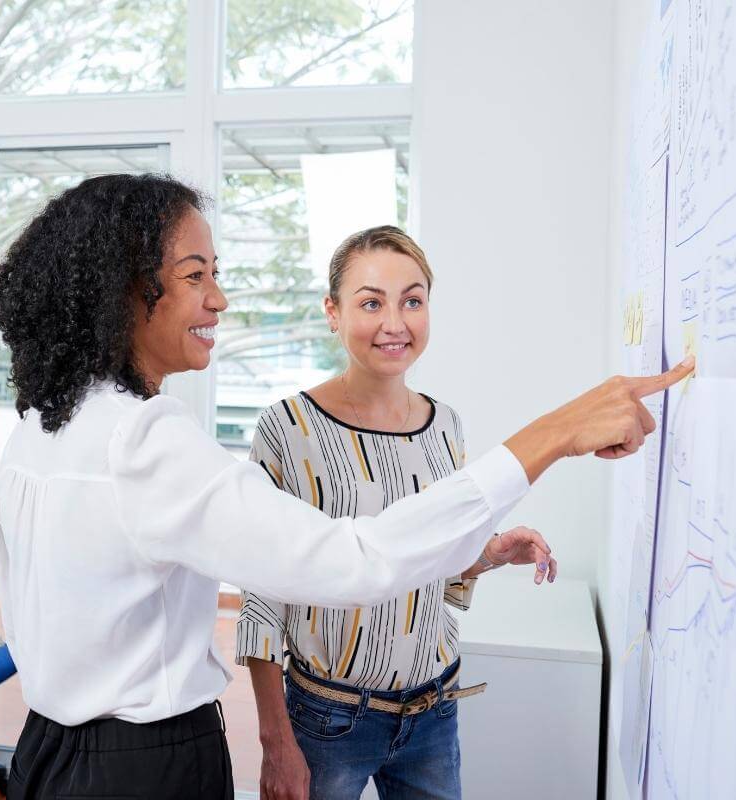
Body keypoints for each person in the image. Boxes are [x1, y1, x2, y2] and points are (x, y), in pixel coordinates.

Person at [0, 173, 692, 800]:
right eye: (196, 274)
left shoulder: (39, 431)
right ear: (126, 290)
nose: (220, 298)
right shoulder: (145, 439)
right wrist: (555, 432)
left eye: (412, 300)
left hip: (49, 752)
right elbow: (349, 561)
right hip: (147, 764)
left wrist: (476, 551)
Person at [237, 225, 556, 800]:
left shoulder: (446, 424)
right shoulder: (288, 428)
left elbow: (429, 563)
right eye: (370, 303)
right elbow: (262, 593)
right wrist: (275, 741)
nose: (395, 323)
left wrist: (486, 555)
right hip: (328, 721)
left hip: (435, 712)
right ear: (332, 313)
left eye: (412, 300)